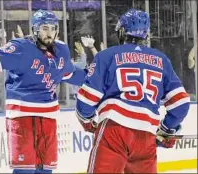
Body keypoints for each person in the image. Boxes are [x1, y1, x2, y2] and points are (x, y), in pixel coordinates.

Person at [0, 9, 86, 174]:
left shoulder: (61, 51)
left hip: (49, 119)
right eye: (44, 28)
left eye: (52, 28)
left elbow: (71, 74)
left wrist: (98, 77)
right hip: (22, 119)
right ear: (35, 29)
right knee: (24, 170)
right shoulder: (20, 48)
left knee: (45, 169)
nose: (49, 33)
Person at [75, 9, 190, 173]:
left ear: (121, 31)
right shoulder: (161, 60)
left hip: (114, 130)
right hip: (146, 136)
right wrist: (166, 128)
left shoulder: (107, 56)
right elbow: (181, 104)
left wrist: (89, 123)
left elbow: (86, 101)